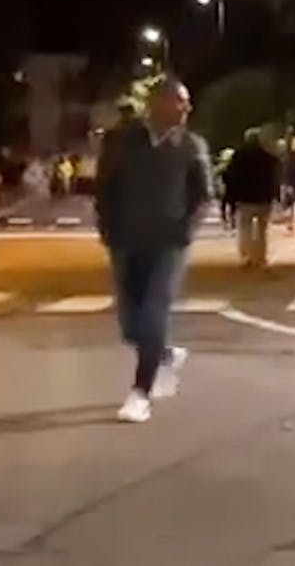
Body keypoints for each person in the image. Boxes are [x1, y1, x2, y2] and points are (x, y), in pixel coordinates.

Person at [93, 78, 212, 424]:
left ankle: (140, 392)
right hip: (126, 241)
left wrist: (185, 230)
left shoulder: (192, 146)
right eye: (180, 101)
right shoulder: (121, 142)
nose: (187, 108)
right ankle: (163, 353)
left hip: (168, 244)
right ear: (157, 104)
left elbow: (203, 195)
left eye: (187, 102)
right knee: (130, 323)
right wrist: (107, 229)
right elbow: (104, 187)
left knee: (155, 311)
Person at [223, 129, 279, 269]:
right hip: (263, 198)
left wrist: (231, 197)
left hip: (245, 198)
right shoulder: (268, 157)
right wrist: (275, 195)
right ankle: (260, 257)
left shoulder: (238, 157)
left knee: (245, 228)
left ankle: (246, 256)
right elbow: (274, 179)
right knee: (262, 229)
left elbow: (231, 177)